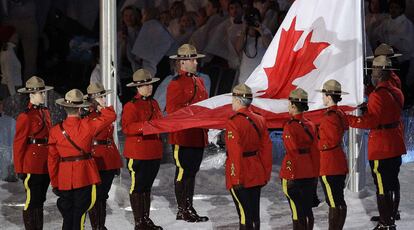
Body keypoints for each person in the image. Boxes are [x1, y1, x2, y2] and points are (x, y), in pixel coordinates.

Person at [346, 56, 406, 230]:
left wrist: (349, 119)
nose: (371, 72)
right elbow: (387, 112)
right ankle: (391, 215)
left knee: (382, 186)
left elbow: (371, 121)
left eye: (373, 69)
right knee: (392, 182)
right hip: (395, 142)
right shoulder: (396, 91)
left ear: (380, 72)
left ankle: (386, 223)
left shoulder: (377, 95)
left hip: (381, 146)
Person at [48, 89, 116, 230]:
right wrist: (99, 106)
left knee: (68, 216)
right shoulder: (88, 124)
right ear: (80, 108)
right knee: (79, 214)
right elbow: (111, 116)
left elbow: (52, 160)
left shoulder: (55, 130)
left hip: (65, 177)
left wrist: (55, 183)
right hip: (84, 175)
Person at [166, 44, 209, 222]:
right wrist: (193, 112)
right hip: (183, 136)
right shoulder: (175, 84)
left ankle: (188, 207)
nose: (196, 63)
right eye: (192, 60)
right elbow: (172, 110)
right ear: (182, 62)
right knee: (183, 172)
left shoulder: (199, 81)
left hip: (197, 135)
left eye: (196, 59)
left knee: (191, 172)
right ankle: (182, 209)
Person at [225, 83, 272, 229]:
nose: (232, 102)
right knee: (254, 215)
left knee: (244, 216)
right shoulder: (260, 119)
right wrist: (265, 174)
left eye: (233, 98)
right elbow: (266, 149)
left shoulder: (233, 122)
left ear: (238, 100)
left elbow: (235, 153)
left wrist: (235, 177)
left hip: (241, 173)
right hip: (256, 171)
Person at [122, 69, 163, 230]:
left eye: (150, 84)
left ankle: (146, 219)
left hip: (153, 151)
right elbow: (127, 128)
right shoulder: (131, 106)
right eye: (146, 85)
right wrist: (147, 126)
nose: (149, 88)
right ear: (138, 87)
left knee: (147, 187)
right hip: (138, 152)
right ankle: (139, 221)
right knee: (138, 187)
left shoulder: (154, 103)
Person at [13, 76, 53, 229]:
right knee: (32, 200)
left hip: (45, 162)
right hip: (32, 164)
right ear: (32, 94)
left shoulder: (45, 111)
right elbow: (19, 144)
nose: (44, 95)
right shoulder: (25, 116)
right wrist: (19, 168)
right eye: (41, 92)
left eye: (43, 92)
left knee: (40, 200)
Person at [280, 88, 319, 230]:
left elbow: (291, 152)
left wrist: (289, 174)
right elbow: (315, 150)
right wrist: (315, 174)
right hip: (309, 172)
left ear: (294, 106)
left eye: (289, 103)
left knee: (297, 212)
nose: (288, 106)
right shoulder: (311, 124)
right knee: (307, 210)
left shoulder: (290, 126)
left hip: (295, 173)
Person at [85, 82, 123, 230]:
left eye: (104, 96)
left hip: (107, 158)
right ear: (93, 99)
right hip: (96, 158)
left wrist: (116, 162)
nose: (104, 99)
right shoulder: (88, 114)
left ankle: (101, 226)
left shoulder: (102, 113)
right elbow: (112, 115)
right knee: (97, 195)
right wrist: (101, 108)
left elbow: (110, 138)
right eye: (101, 97)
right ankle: (97, 227)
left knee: (103, 195)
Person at [315, 80, 349, 230]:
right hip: (338, 162)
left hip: (330, 164)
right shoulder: (339, 113)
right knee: (338, 200)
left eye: (324, 95)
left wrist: (315, 143)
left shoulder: (330, 116)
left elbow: (329, 142)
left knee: (334, 202)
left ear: (328, 96)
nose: (322, 98)